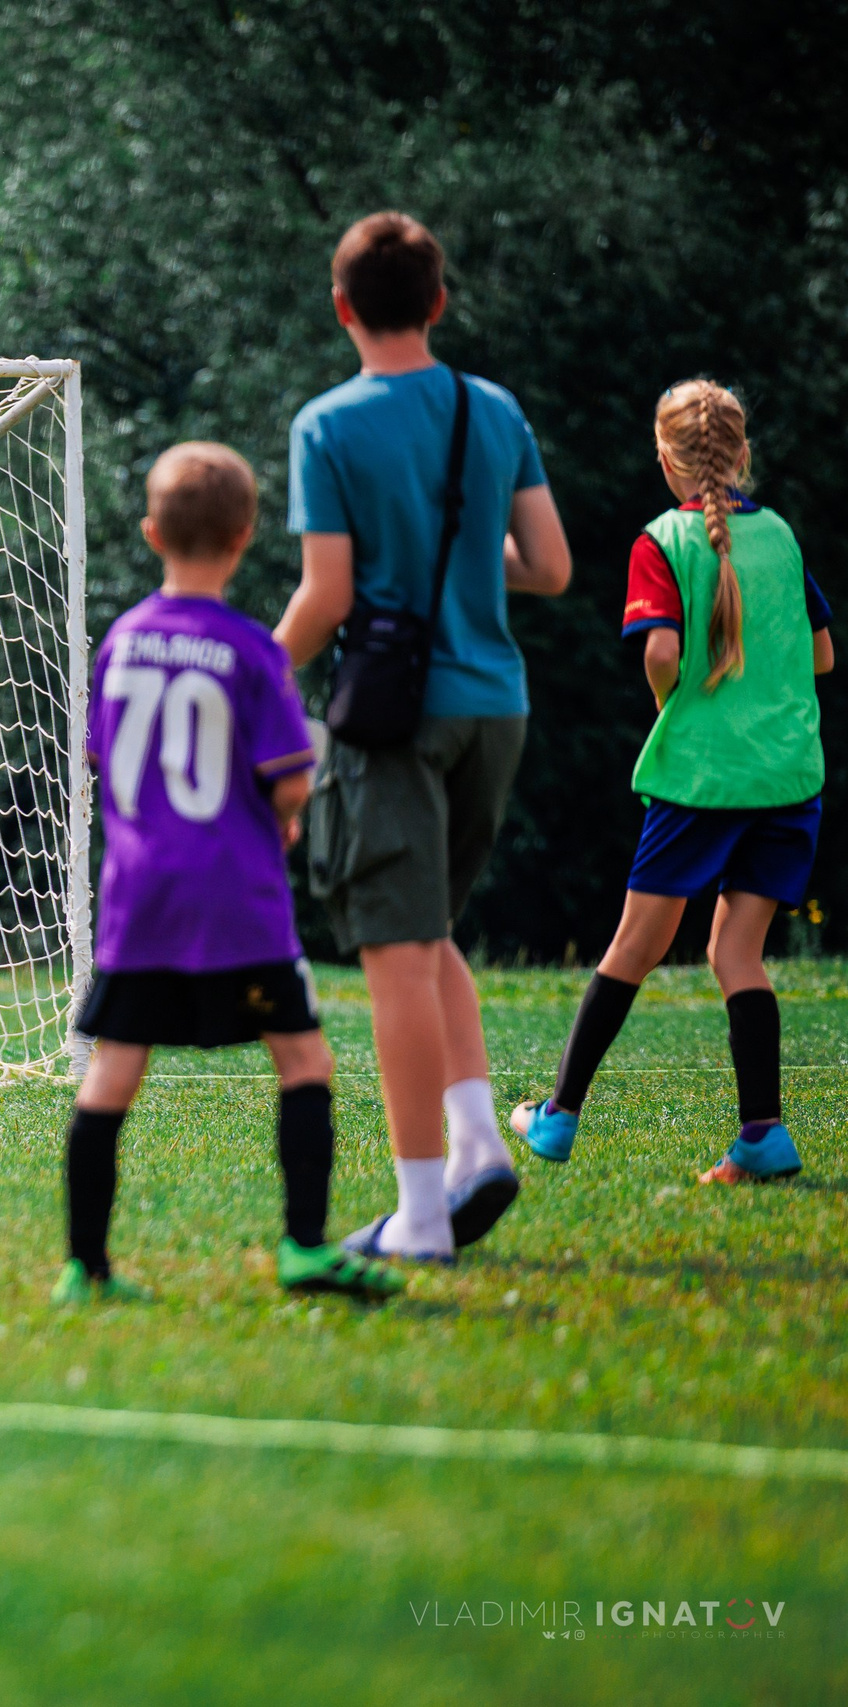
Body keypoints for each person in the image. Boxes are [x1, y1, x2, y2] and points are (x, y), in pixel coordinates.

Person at [273, 210, 573, 1266]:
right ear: (439, 302)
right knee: (432, 932)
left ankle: (420, 1216)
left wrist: (258, 670)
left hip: (395, 717)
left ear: (343, 308)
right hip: (496, 703)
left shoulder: (328, 425)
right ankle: (479, 1149)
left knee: (395, 958)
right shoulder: (491, 409)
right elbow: (547, 566)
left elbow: (329, 593)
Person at [57, 444, 404, 1304]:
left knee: (112, 1070)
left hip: (141, 901)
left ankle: (85, 1266)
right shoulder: (252, 649)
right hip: (235, 899)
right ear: (246, 537)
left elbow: (105, 758)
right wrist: (286, 810)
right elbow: (289, 776)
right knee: (303, 1058)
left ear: (149, 533)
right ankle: (302, 1247)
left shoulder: (125, 641)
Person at [513, 381, 829, 1185]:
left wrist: (676, 706)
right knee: (737, 953)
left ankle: (557, 1118)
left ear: (664, 460)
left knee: (635, 945)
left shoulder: (661, 541)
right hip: (788, 779)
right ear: (743, 453)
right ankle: (762, 1134)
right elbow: (824, 654)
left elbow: (658, 654)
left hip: (703, 779)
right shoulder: (784, 539)